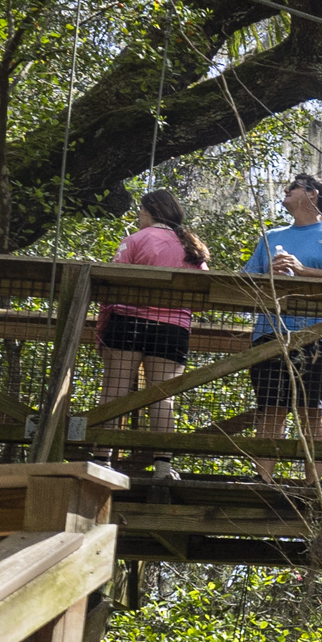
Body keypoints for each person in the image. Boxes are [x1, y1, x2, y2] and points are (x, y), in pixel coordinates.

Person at [243, 173, 322, 481]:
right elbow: (246, 281)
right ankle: (263, 479)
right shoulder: (270, 236)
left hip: (320, 336)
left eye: (293, 187)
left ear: (312, 194)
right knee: (270, 407)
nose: (284, 191)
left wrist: (303, 270)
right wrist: (267, 275)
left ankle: (315, 483)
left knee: (313, 409)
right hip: (271, 332)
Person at [97, 188, 207, 457]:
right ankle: (163, 464)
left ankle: (102, 457)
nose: (138, 216)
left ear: (150, 212)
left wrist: (102, 326)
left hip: (127, 324)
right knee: (162, 397)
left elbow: (112, 285)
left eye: (141, 211)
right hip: (172, 330)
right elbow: (202, 295)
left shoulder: (134, 240)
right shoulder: (191, 247)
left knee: (115, 391)